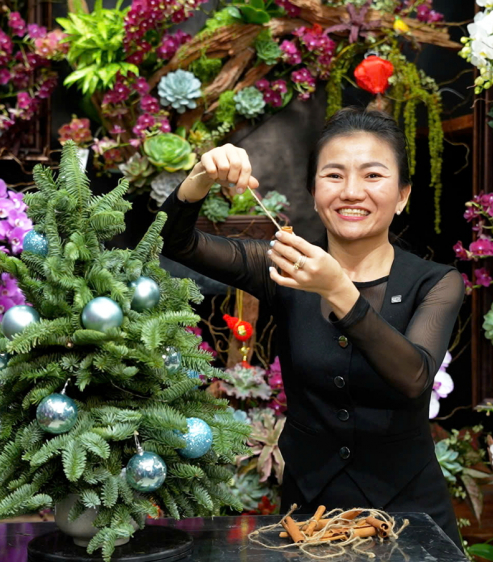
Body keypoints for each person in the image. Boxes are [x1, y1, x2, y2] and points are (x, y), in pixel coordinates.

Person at [159, 108, 466, 551]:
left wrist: (338, 290)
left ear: (402, 196)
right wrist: (200, 178)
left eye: (373, 175)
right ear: (314, 192)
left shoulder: (435, 282)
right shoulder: (282, 266)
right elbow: (172, 241)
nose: (352, 191)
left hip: (411, 516)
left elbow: (414, 378)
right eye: (334, 175)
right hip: (309, 516)